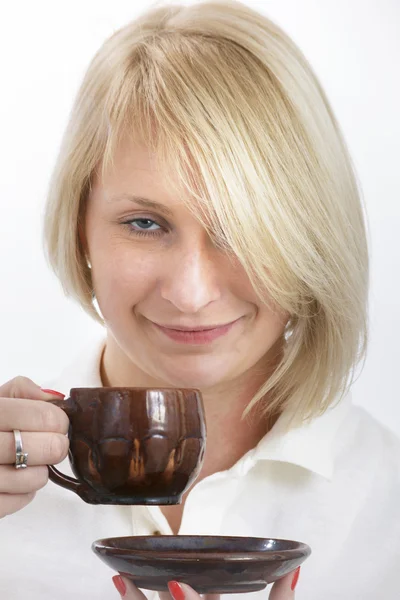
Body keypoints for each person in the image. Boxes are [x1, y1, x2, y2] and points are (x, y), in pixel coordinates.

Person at [0, 0, 399, 598]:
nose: (190, 294)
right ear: (80, 226)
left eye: (243, 228)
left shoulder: (386, 503)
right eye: (143, 223)